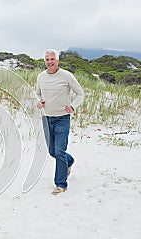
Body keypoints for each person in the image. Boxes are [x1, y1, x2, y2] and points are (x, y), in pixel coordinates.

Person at [36, 49, 84, 195]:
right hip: (47, 118)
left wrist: (73, 106)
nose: (49, 62)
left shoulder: (66, 76)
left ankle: (60, 184)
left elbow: (80, 93)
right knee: (52, 151)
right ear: (44, 61)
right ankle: (68, 161)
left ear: (57, 61)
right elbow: (37, 93)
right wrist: (39, 102)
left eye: (52, 59)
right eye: (47, 59)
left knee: (59, 151)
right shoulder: (40, 77)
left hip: (62, 118)